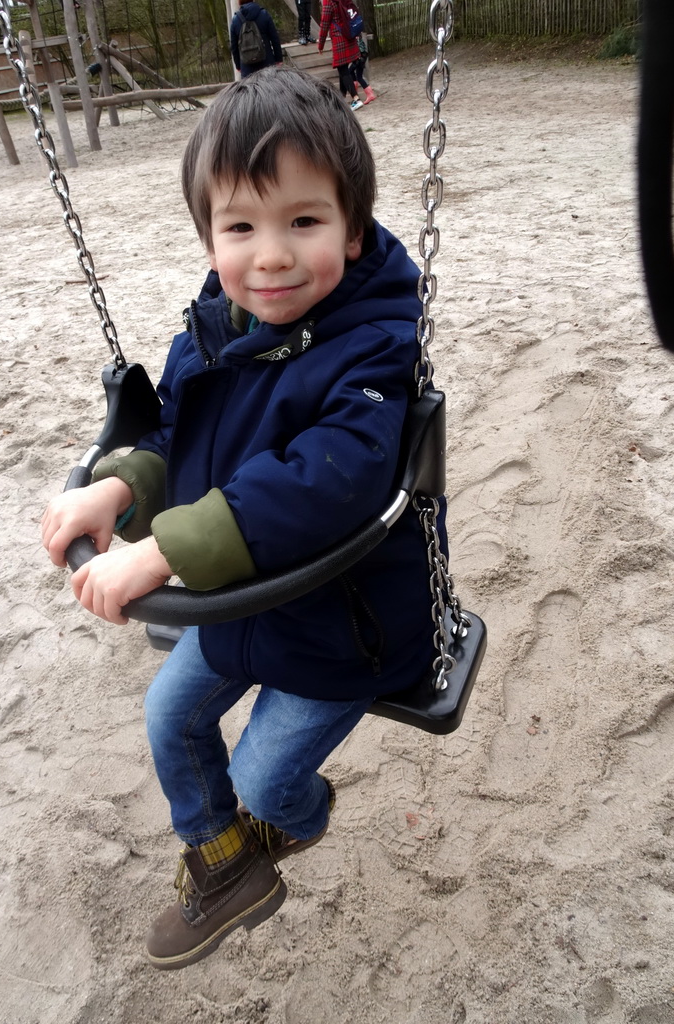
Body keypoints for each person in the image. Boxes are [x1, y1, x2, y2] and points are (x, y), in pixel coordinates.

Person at [41, 65, 446, 971]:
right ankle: (224, 864)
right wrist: (119, 491)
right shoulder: (216, 328)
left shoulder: (374, 342)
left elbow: (327, 479)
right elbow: (184, 433)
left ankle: (293, 825)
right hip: (244, 605)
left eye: (304, 222)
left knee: (268, 779)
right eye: (240, 227)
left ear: (350, 221)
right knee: (168, 718)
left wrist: (159, 555)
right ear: (208, 233)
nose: (270, 256)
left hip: (348, 622)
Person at [317, 0, 363, 110]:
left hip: (339, 39)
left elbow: (325, 23)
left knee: (342, 69)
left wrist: (321, 44)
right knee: (342, 69)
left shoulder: (328, 2)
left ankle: (356, 99)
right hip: (348, 35)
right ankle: (341, 99)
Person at [229, 0, 283, 79]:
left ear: (239, 1)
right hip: (267, 63)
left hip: (247, 67)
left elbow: (234, 47)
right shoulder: (264, 14)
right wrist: (278, 59)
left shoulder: (235, 20)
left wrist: (238, 65)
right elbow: (274, 38)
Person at [349, 34, 376, 105]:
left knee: (352, 73)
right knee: (357, 75)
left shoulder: (353, 31)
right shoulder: (356, 30)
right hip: (361, 55)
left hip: (359, 56)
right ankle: (368, 94)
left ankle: (367, 94)